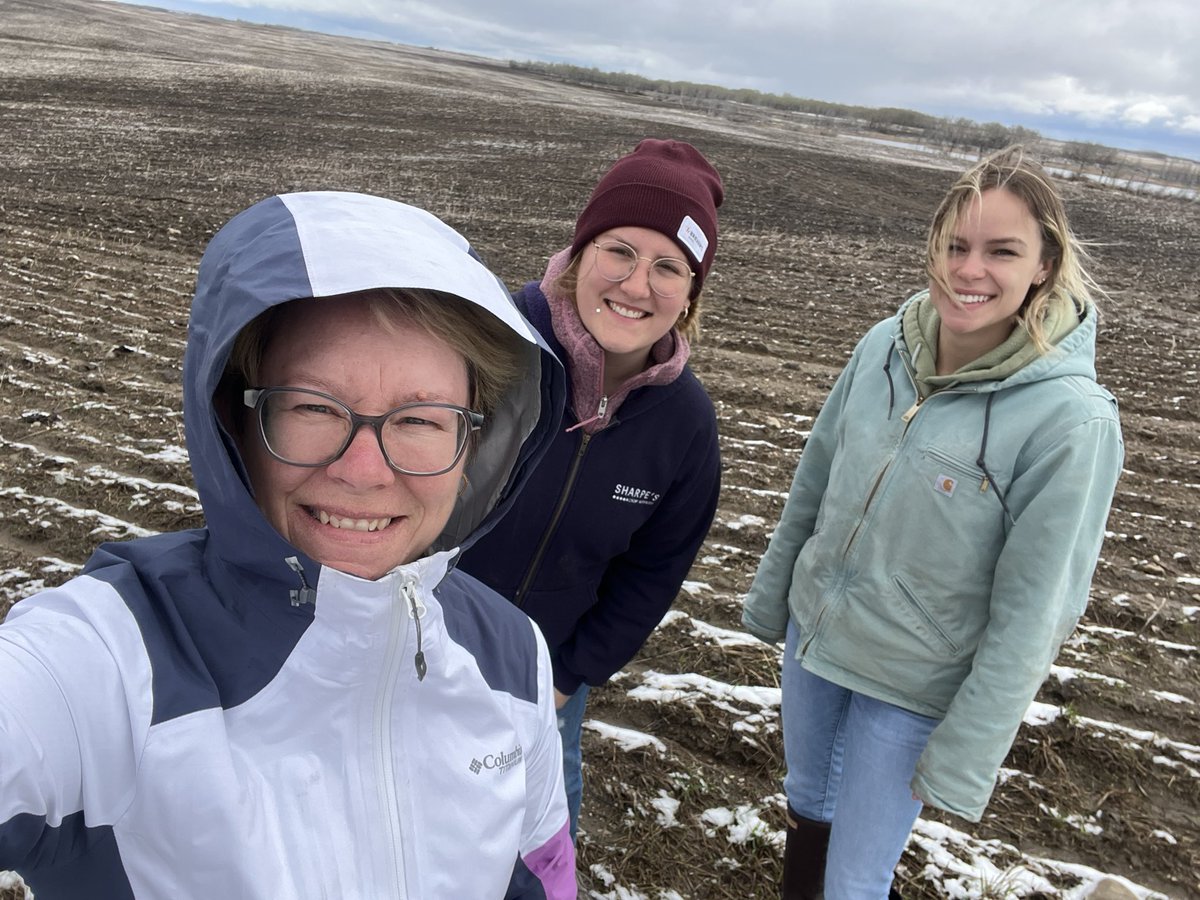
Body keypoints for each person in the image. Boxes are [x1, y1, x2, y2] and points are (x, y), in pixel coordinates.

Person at [0, 191, 576, 898]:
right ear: (232, 418)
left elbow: (540, 874)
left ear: (474, 444)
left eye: (422, 420)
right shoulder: (112, 659)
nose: (364, 471)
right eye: (312, 407)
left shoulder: (513, 653)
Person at [741, 146, 1124, 900]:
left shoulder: (1071, 421)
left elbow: (1036, 610)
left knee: (854, 878)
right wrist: (775, 598)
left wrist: (968, 752)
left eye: (1001, 251)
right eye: (955, 245)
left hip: (911, 689)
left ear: (1044, 264)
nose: (968, 269)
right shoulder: (885, 344)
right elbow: (815, 479)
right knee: (806, 811)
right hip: (816, 639)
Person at [458, 138, 724, 839]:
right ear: (580, 254)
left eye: (669, 267)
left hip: (547, 673)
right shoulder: (494, 346)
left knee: (537, 836)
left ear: (691, 293)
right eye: (620, 252)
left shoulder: (685, 425)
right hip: (421, 641)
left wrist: (569, 674)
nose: (638, 286)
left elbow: (656, 569)